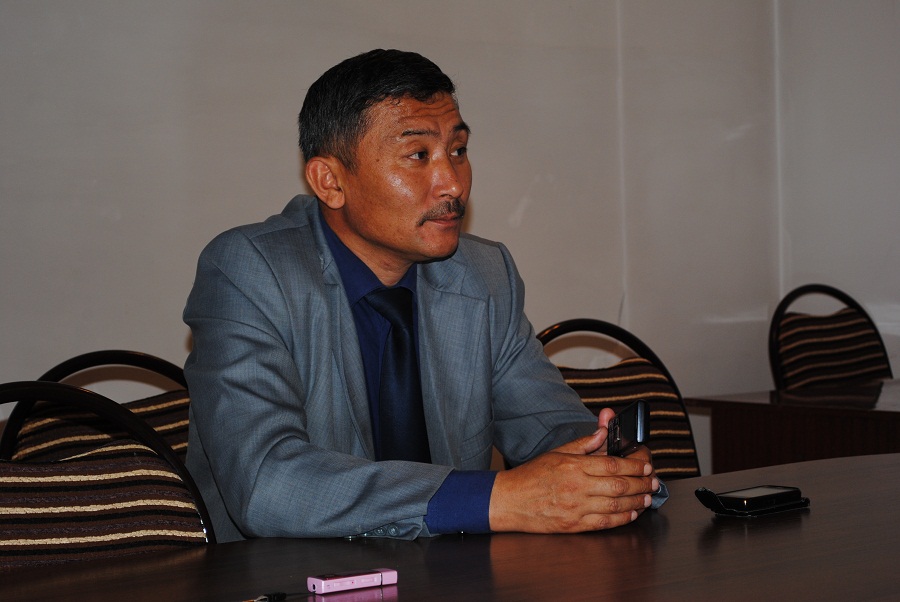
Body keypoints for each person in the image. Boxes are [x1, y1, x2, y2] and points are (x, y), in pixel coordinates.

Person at [183, 49, 667, 543]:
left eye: (458, 150)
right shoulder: (249, 272)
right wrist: (497, 498)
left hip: (452, 573)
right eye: (418, 156)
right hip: (281, 574)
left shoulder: (484, 274)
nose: (453, 183)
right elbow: (267, 482)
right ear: (330, 181)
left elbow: (548, 424)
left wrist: (605, 470)